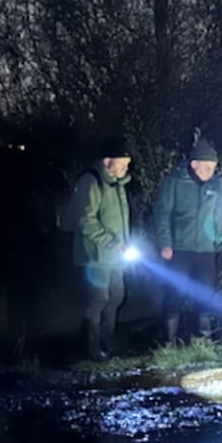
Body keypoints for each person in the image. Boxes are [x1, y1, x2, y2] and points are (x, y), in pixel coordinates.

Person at [153, 137, 222, 343]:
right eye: (206, 167)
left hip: (206, 250)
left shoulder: (216, 185)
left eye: (213, 168)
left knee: (205, 295)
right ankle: (168, 343)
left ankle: (203, 342)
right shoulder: (175, 182)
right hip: (180, 248)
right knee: (175, 295)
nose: (210, 172)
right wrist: (165, 243)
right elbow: (162, 213)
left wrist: (221, 239)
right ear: (194, 164)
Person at [72, 136, 134, 360]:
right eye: (123, 163)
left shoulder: (118, 184)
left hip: (116, 255)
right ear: (108, 161)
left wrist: (122, 244)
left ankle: (109, 341)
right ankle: (92, 347)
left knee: (116, 296)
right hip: (95, 255)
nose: (127, 167)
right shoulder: (91, 181)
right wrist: (111, 241)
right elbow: (86, 220)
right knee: (98, 299)